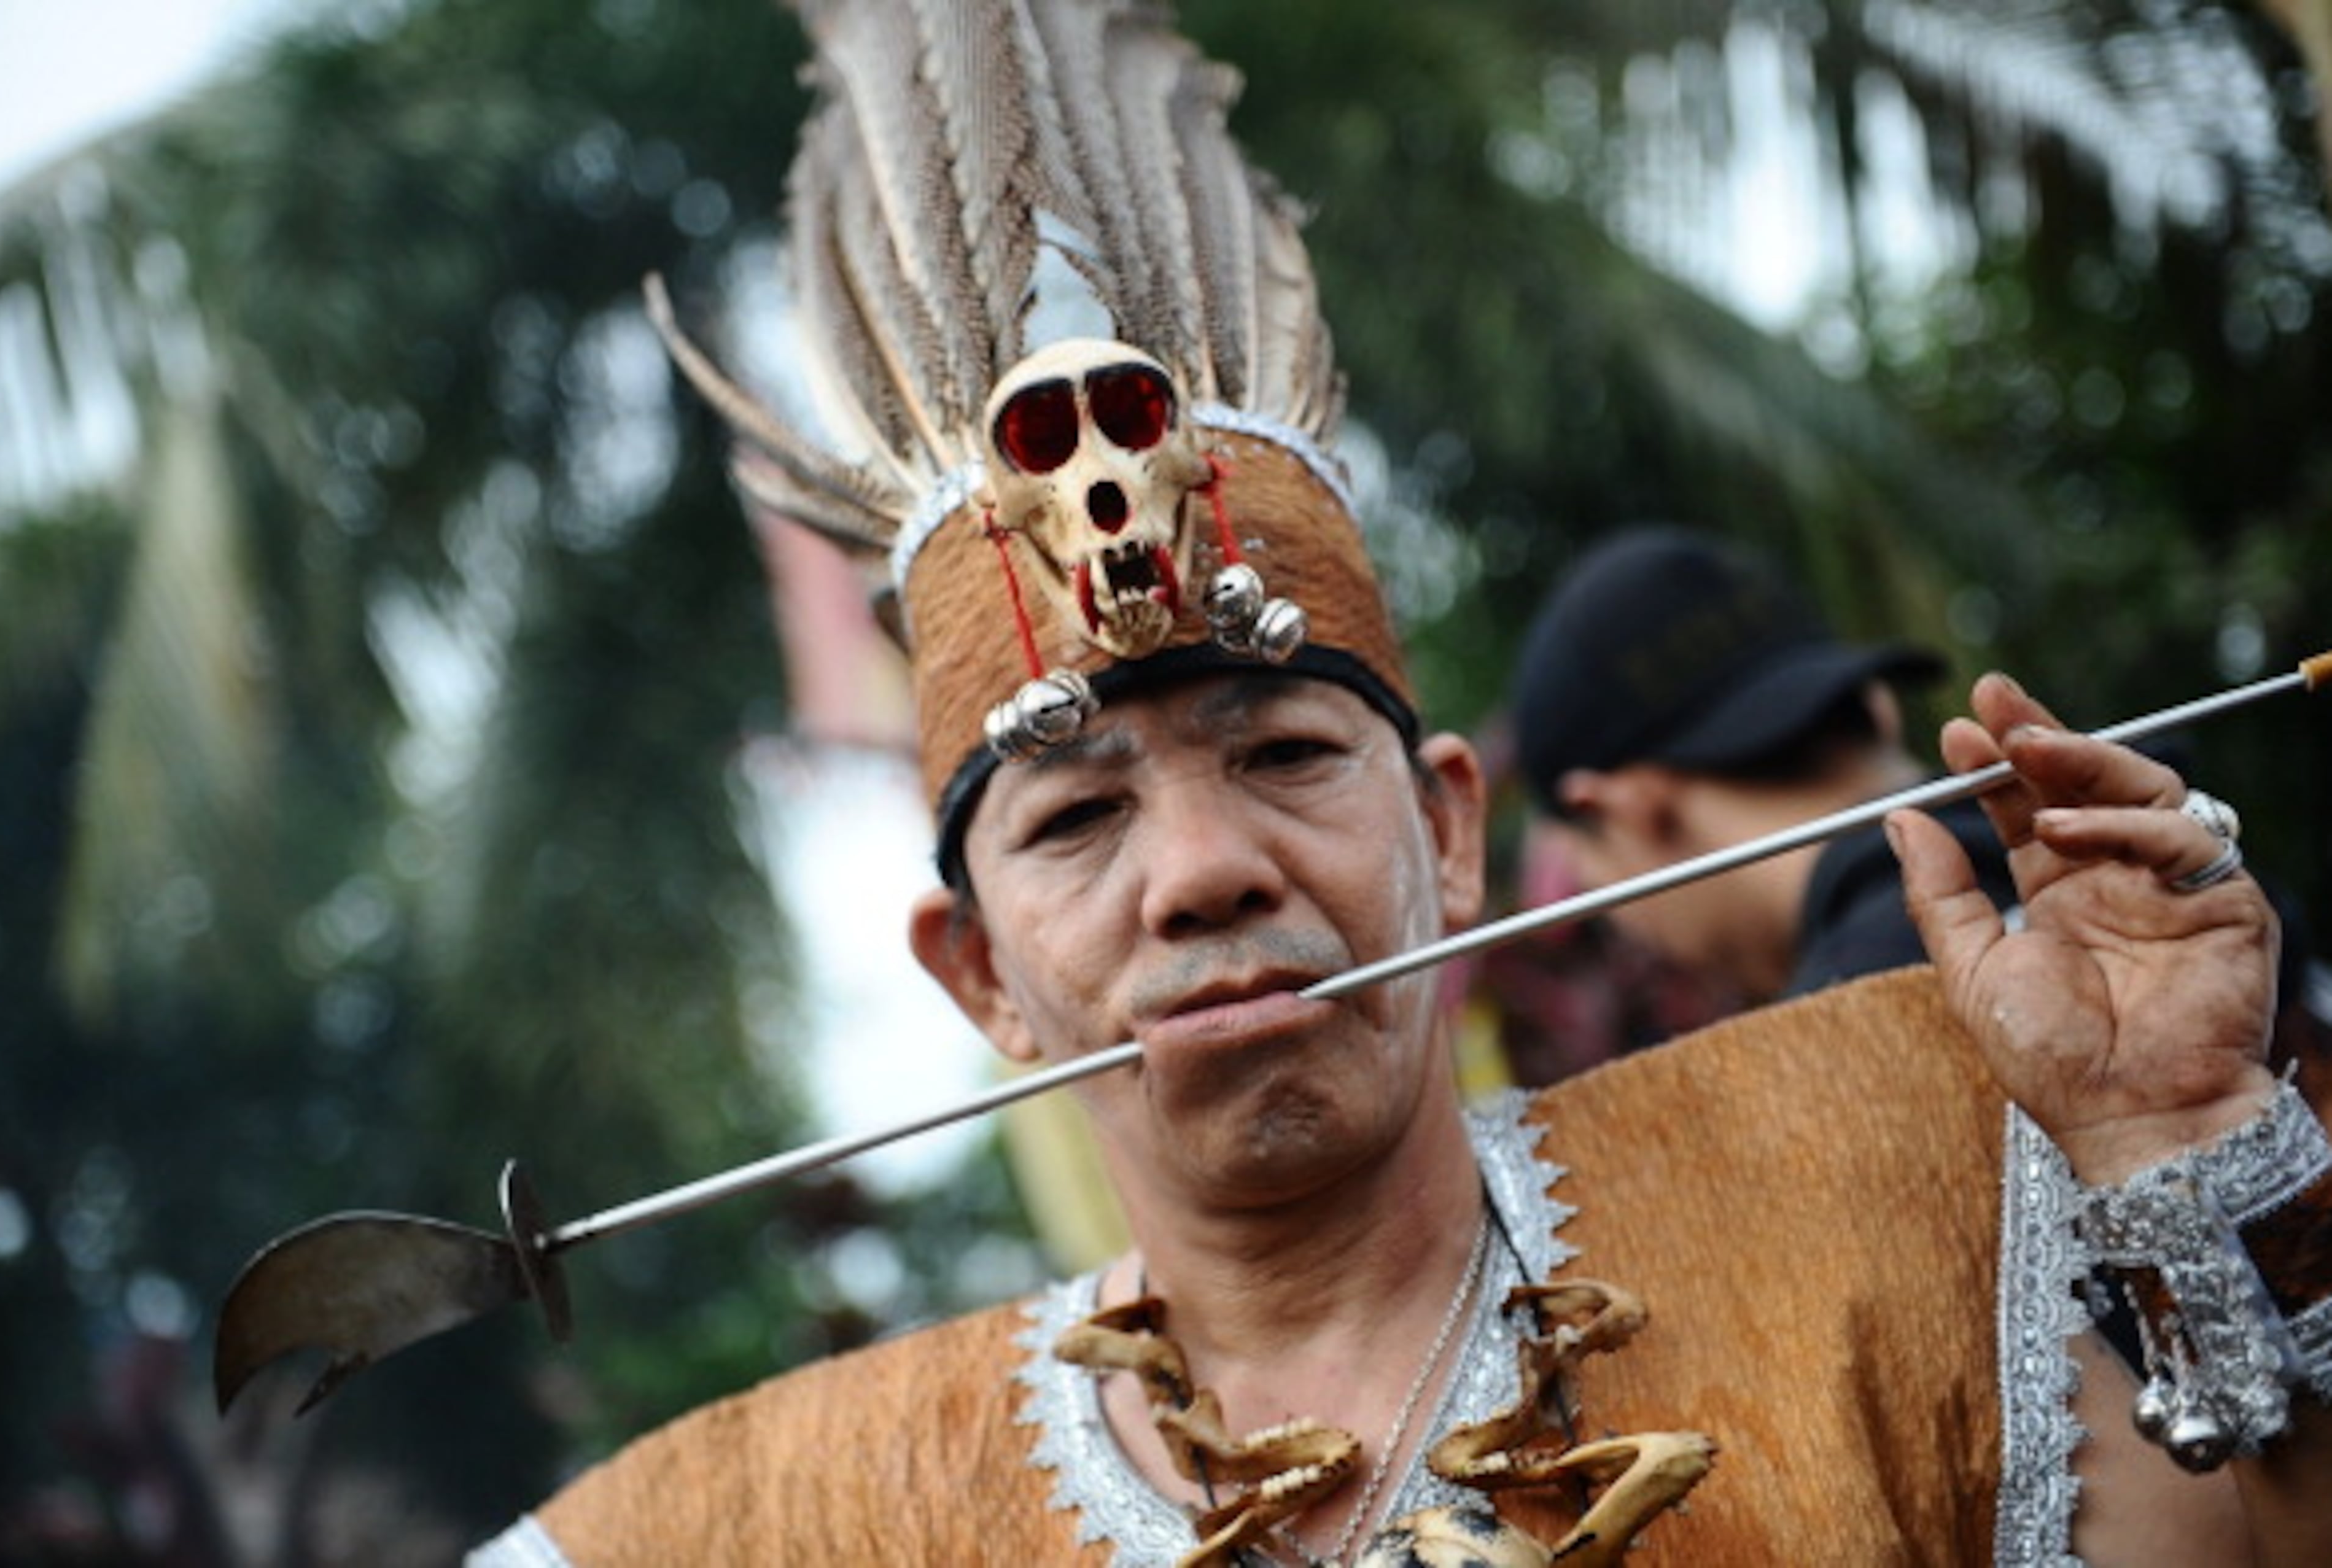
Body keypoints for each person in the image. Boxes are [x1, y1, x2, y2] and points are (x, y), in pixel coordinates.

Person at [470, 3, 2332, 1563]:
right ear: (977, 975)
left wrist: (2182, 1141)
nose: (1201, 868)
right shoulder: (788, 1517)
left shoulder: (1905, 1175)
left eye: (1283, 752)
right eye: (1076, 811)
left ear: (1445, 822)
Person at [1508, 524, 2018, 1007]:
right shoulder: (2071, 836)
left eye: (1597, 892)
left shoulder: (1855, 1035)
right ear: (1879, 708)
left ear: (1628, 805)